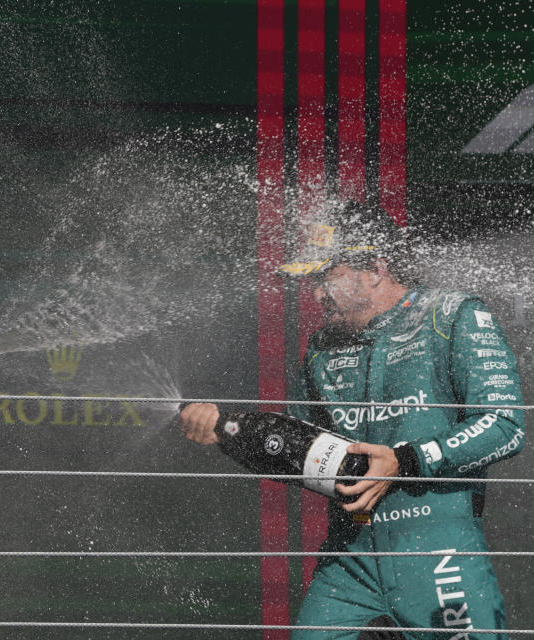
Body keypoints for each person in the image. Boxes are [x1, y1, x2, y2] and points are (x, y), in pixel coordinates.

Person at [180, 201, 525, 639]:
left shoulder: (453, 316)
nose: (318, 294)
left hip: (440, 555)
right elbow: (299, 448)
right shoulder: (323, 346)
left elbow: (505, 425)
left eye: (326, 277)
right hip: (349, 561)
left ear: (376, 268)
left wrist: (405, 460)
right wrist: (224, 432)